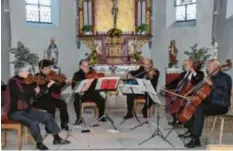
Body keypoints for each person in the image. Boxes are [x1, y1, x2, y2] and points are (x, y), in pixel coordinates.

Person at [4, 61, 70, 150]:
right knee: (34, 123)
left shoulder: (27, 81)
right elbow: (22, 95)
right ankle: (39, 143)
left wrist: (43, 89)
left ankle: (57, 138)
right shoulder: (13, 82)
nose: (29, 73)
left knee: (48, 116)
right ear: (20, 72)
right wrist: (34, 90)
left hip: (27, 110)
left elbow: (35, 96)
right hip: (16, 112)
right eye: (27, 71)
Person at [184, 59, 232, 148]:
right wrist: (193, 96)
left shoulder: (225, 78)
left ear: (216, 67)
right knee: (192, 104)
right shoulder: (211, 77)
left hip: (221, 105)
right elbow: (205, 93)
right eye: (207, 66)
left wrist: (211, 85)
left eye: (209, 66)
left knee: (199, 109)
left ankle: (195, 138)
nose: (207, 68)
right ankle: (191, 131)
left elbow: (223, 94)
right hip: (210, 103)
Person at [33, 59, 71, 131]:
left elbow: (57, 90)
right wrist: (48, 85)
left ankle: (64, 123)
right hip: (39, 100)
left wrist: (64, 83)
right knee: (51, 107)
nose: (49, 70)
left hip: (48, 98)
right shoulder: (36, 78)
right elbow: (38, 93)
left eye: (50, 68)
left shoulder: (50, 77)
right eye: (47, 69)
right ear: (41, 69)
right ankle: (49, 126)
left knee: (62, 103)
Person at [165, 59, 204, 126]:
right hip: (182, 93)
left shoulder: (199, 73)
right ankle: (177, 120)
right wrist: (166, 86)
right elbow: (175, 82)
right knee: (174, 102)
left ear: (191, 65)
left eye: (186, 64)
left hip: (191, 94)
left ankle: (185, 121)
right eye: (184, 65)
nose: (184, 66)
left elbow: (198, 80)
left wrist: (193, 71)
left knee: (182, 104)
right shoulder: (183, 74)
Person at [72, 59, 106, 125]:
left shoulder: (92, 72)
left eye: (87, 66)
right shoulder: (76, 74)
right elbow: (74, 87)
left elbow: (96, 84)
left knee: (101, 100)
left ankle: (101, 116)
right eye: (84, 66)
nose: (87, 68)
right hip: (82, 94)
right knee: (76, 100)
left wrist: (96, 79)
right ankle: (78, 118)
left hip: (92, 92)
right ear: (80, 66)